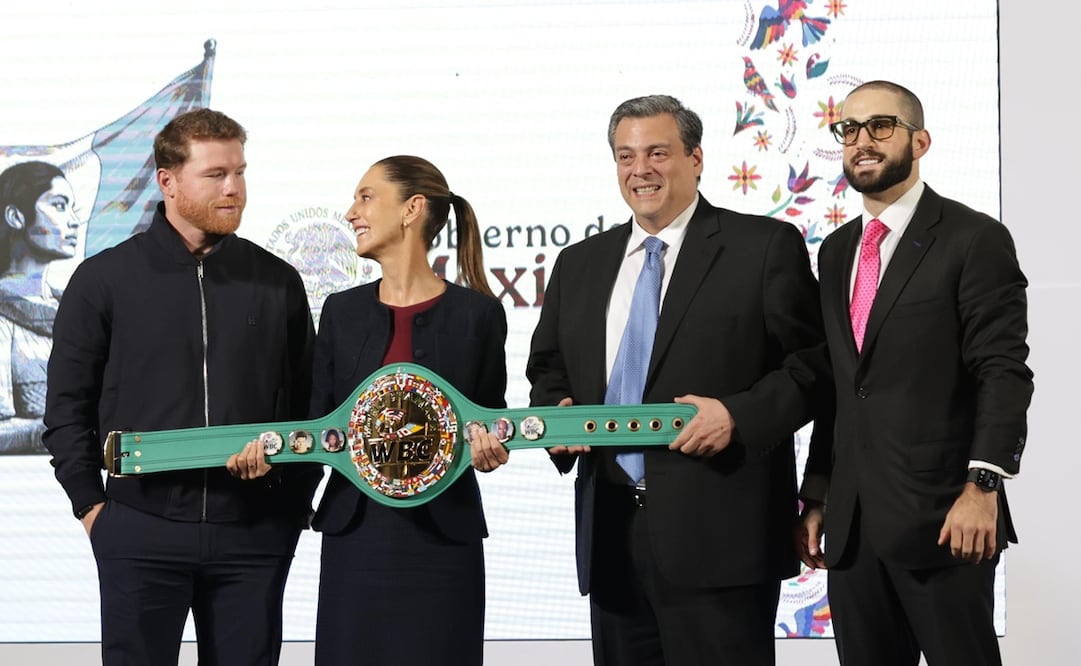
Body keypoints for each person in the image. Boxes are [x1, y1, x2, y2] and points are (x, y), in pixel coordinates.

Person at [523, 94, 827, 665]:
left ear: (696, 158)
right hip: (611, 539)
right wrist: (557, 408)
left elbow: (813, 366)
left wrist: (737, 416)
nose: (641, 169)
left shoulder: (762, 247)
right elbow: (548, 366)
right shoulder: (579, 263)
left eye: (658, 153)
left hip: (722, 541)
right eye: (626, 156)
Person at [42, 108, 320, 666]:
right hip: (139, 530)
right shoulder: (103, 280)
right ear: (167, 181)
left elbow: (309, 405)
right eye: (216, 175)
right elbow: (67, 409)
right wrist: (93, 509)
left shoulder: (277, 281)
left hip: (254, 534)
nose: (234, 188)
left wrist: (290, 505)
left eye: (239, 172)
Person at [797, 81, 1033, 666]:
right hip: (853, 530)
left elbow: (1003, 371)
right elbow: (841, 387)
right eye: (849, 129)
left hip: (946, 519)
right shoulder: (836, 250)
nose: (862, 141)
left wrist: (983, 487)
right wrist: (819, 492)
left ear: (919, 142)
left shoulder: (974, 238)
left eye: (881, 126)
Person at [311, 155, 507, 666]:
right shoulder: (340, 312)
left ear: (411, 209)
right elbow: (315, 427)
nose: (351, 212)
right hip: (356, 541)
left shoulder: (480, 316)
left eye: (366, 197)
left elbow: (490, 420)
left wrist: (488, 452)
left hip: (443, 546)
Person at [0, 161, 83, 454]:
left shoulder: (81, 308)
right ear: (15, 216)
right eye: (59, 206)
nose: (73, 221)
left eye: (73, 208)